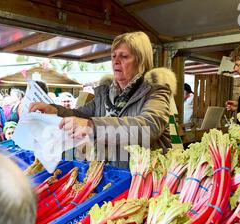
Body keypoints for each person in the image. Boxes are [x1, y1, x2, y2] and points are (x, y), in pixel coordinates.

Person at [29, 31, 177, 166]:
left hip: (145, 177)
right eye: (113, 56)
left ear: (141, 61)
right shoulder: (105, 94)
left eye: (124, 56)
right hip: (112, 174)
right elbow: (79, 114)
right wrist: (54, 110)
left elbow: (148, 127)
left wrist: (92, 126)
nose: (116, 61)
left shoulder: (156, 92)